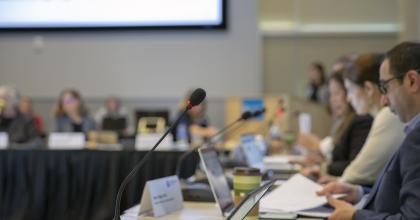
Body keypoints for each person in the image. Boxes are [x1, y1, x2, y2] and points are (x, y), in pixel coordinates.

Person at [317, 42, 420, 219]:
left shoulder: (417, 139)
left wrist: (355, 216)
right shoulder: (413, 130)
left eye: (386, 87)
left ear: (411, 81)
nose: (384, 101)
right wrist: (358, 192)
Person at [333, 53, 405, 186]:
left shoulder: (388, 115)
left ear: (368, 89)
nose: (348, 98)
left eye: (350, 90)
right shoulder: (381, 117)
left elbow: (357, 174)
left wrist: (335, 182)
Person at [298, 71, 373, 178]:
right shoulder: (342, 123)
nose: (332, 100)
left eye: (337, 93)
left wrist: (321, 166)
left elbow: (353, 165)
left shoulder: (361, 121)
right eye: (331, 94)